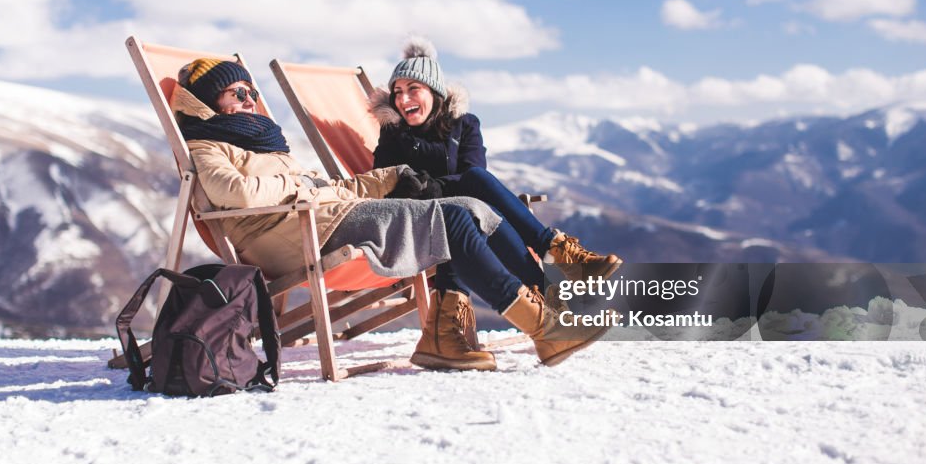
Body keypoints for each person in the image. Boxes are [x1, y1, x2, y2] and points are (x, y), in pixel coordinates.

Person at [171, 57, 607, 373]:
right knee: (452, 220)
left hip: (327, 216)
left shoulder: (266, 146)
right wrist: (302, 187)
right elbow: (237, 191)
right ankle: (544, 328)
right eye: (237, 93)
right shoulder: (206, 147)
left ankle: (541, 317)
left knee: (469, 207)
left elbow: (334, 187)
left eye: (251, 92)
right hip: (295, 233)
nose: (249, 100)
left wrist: (394, 175)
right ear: (208, 102)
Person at [371, 37, 623, 308]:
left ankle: (551, 295)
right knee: (478, 204)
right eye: (396, 92)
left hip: (466, 214)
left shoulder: (464, 124)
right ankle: (557, 258)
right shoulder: (393, 133)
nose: (402, 98)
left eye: (412, 88)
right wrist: (422, 188)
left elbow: (474, 171)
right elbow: (382, 184)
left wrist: (433, 185)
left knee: (481, 205)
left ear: (434, 91)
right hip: (416, 222)